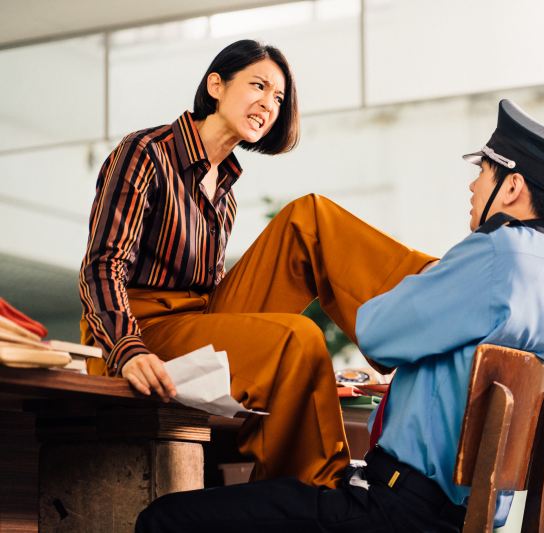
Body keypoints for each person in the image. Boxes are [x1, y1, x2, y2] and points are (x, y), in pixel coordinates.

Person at [134, 99, 544, 533]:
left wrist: (427, 281)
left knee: (164, 519)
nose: (473, 184)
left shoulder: (494, 254)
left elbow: (377, 333)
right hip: (456, 518)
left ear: (512, 187)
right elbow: (479, 373)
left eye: (483, 171)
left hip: (393, 512)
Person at [79, 39, 436, 489]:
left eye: (279, 98)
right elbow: (102, 265)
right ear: (216, 86)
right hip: (141, 333)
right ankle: (321, 490)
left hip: (197, 320)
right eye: (258, 86)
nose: (269, 104)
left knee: (308, 217)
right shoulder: (145, 152)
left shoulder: (224, 192)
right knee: (298, 336)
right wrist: (127, 348)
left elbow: (214, 298)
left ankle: (425, 299)